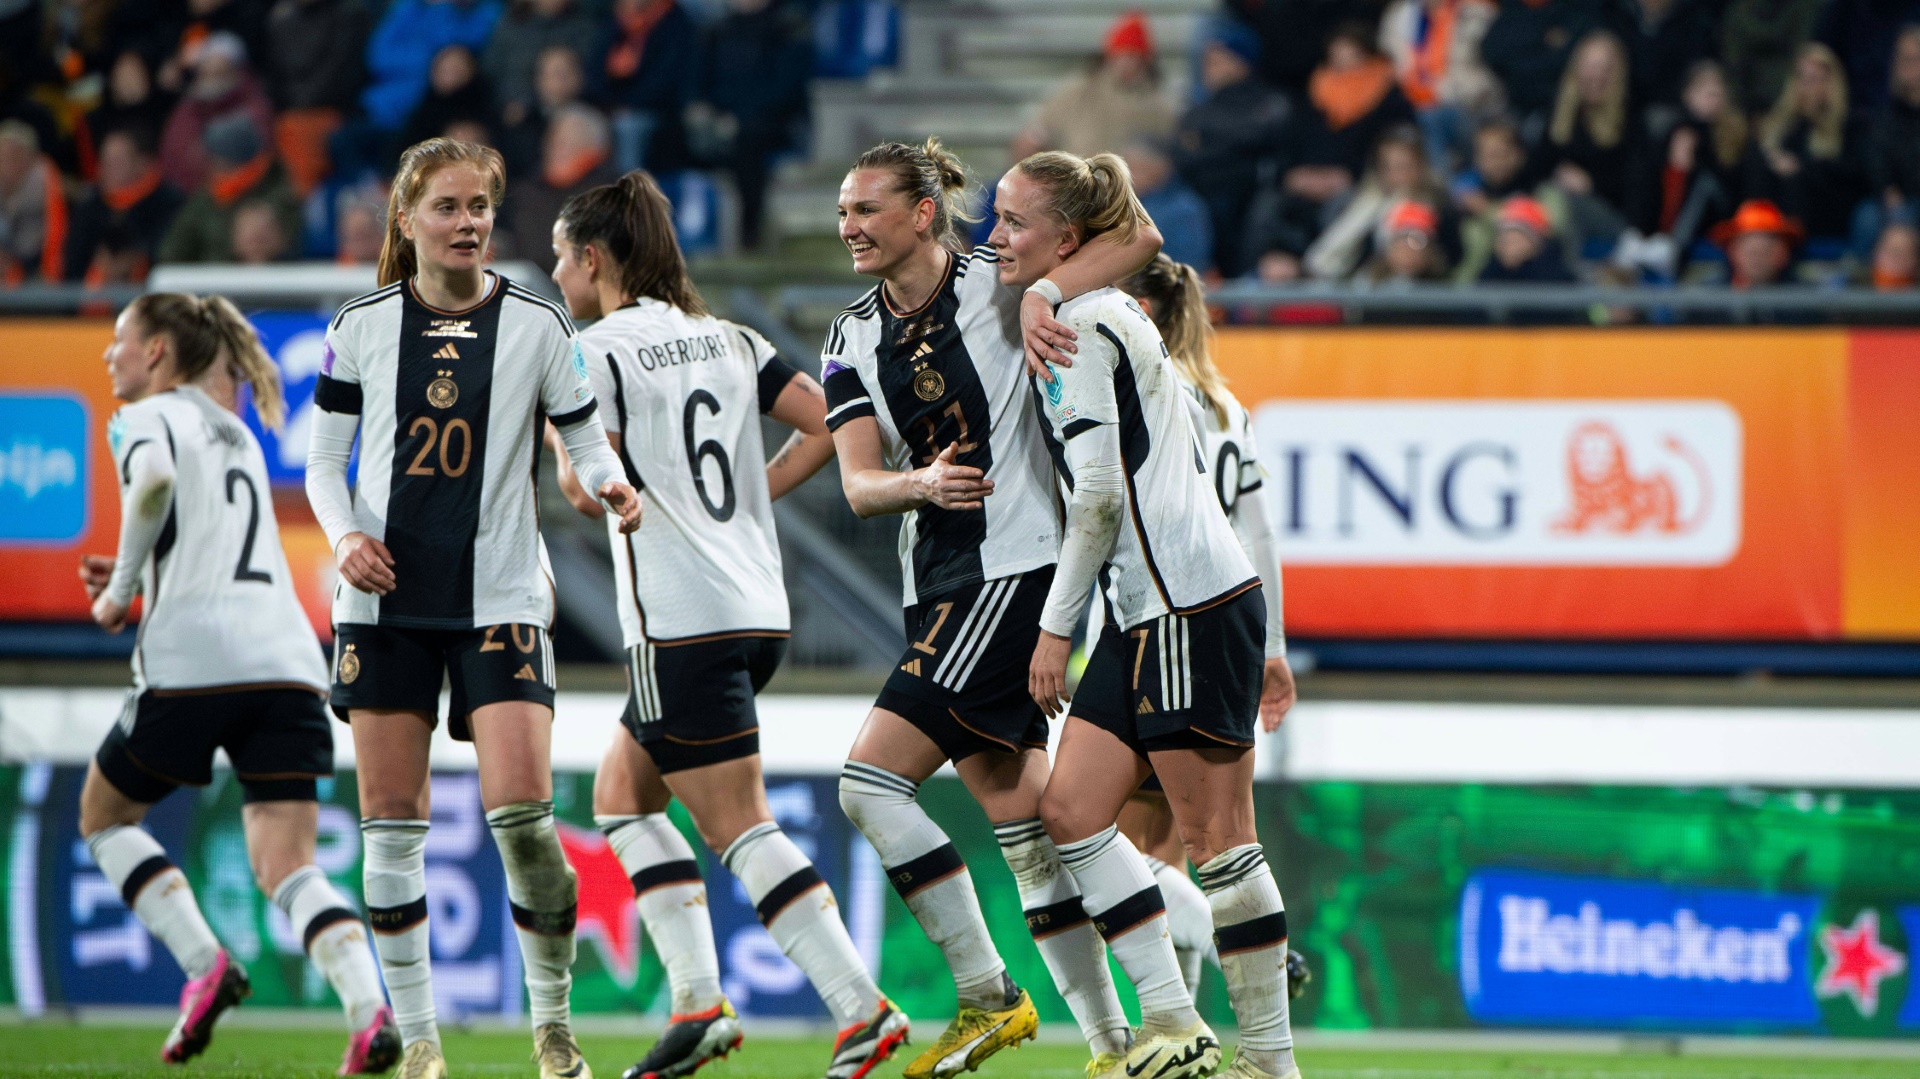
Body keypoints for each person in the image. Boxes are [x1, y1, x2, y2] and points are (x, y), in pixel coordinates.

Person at [543, 169, 894, 1079]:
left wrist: (560, 447)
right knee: (622, 799)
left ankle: (864, 1010)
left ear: (592, 259)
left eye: (559, 256)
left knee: (740, 825)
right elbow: (830, 419)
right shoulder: (727, 337)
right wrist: (753, 495)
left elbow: (592, 492)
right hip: (756, 607)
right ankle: (697, 1001)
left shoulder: (592, 352)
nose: (556, 275)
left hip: (681, 618)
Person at [824, 138, 1161, 1079]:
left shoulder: (999, 280)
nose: (848, 228)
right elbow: (857, 487)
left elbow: (1138, 232)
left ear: (923, 212)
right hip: (934, 588)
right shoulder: (849, 336)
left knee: (867, 784)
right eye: (842, 212)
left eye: (866, 210)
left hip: (1012, 574)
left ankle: (988, 992)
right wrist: (921, 483)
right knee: (1036, 825)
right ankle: (1123, 1042)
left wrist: (1048, 293)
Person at [304, 136, 641, 1079]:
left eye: (480, 207)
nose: (468, 223)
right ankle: (419, 1044)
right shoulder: (361, 324)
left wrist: (614, 485)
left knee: (525, 816)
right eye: (448, 207)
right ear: (406, 219)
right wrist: (343, 540)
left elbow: (583, 436)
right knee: (391, 821)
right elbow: (324, 465)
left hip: (501, 595)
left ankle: (553, 1028)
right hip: (385, 603)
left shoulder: (537, 323)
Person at [1002, 150, 1300, 1079]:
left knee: (1218, 841)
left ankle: (1270, 1061)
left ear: (1067, 238)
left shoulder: (1082, 324)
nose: (996, 238)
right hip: (1154, 607)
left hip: (1185, 603)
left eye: (1014, 223)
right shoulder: (1096, 308)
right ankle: (1174, 1018)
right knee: (1071, 809)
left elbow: (1095, 496)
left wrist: (1056, 626)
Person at [78, 292, 397, 1074]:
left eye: (121, 339)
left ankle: (201, 964)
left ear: (157, 352)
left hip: (192, 663)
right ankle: (367, 1009)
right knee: (289, 865)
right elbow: (204, 545)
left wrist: (121, 591)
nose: (110, 355)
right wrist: (147, 572)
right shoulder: (237, 433)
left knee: (105, 814)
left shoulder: (147, 415)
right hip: (287, 662)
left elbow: (150, 484)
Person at [1112, 254, 1307, 1002]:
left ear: (1147, 314)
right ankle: (1181, 1026)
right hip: (1231, 625)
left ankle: (1252, 952)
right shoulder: (1227, 404)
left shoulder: (1153, 396)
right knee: (1175, 846)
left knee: (1100, 836)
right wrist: (1275, 649)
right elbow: (1261, 538)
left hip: (1160, 615)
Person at [1012, 10, 1176, 162]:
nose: (1126, 63)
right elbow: (1042, 127)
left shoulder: (1158, 104)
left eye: (1133, 56)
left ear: (1145, 60)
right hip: (1076, 180)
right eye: (1121, 54)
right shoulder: (1079, 90)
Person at [1746, 42, 1867, 241]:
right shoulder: (1782, 124)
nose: (1806, 86)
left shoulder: (1851, 125)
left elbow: (1852, 175)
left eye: (1814, 79)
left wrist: (1801, 167)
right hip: (1778, 209)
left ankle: (1783, 242)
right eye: (1801, 78)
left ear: (1832, 82)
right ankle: (1757, 236)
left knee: (1795, 180)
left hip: (1826, 212)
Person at [65, 128, 182, 285]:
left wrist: (135, 260)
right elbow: (72, 262)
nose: (108, 169)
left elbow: (169, 252)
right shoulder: (89, 205)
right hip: (90, 300)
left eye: (118, 162)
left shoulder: (168, 202)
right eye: (105, 161)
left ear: (141, 163)